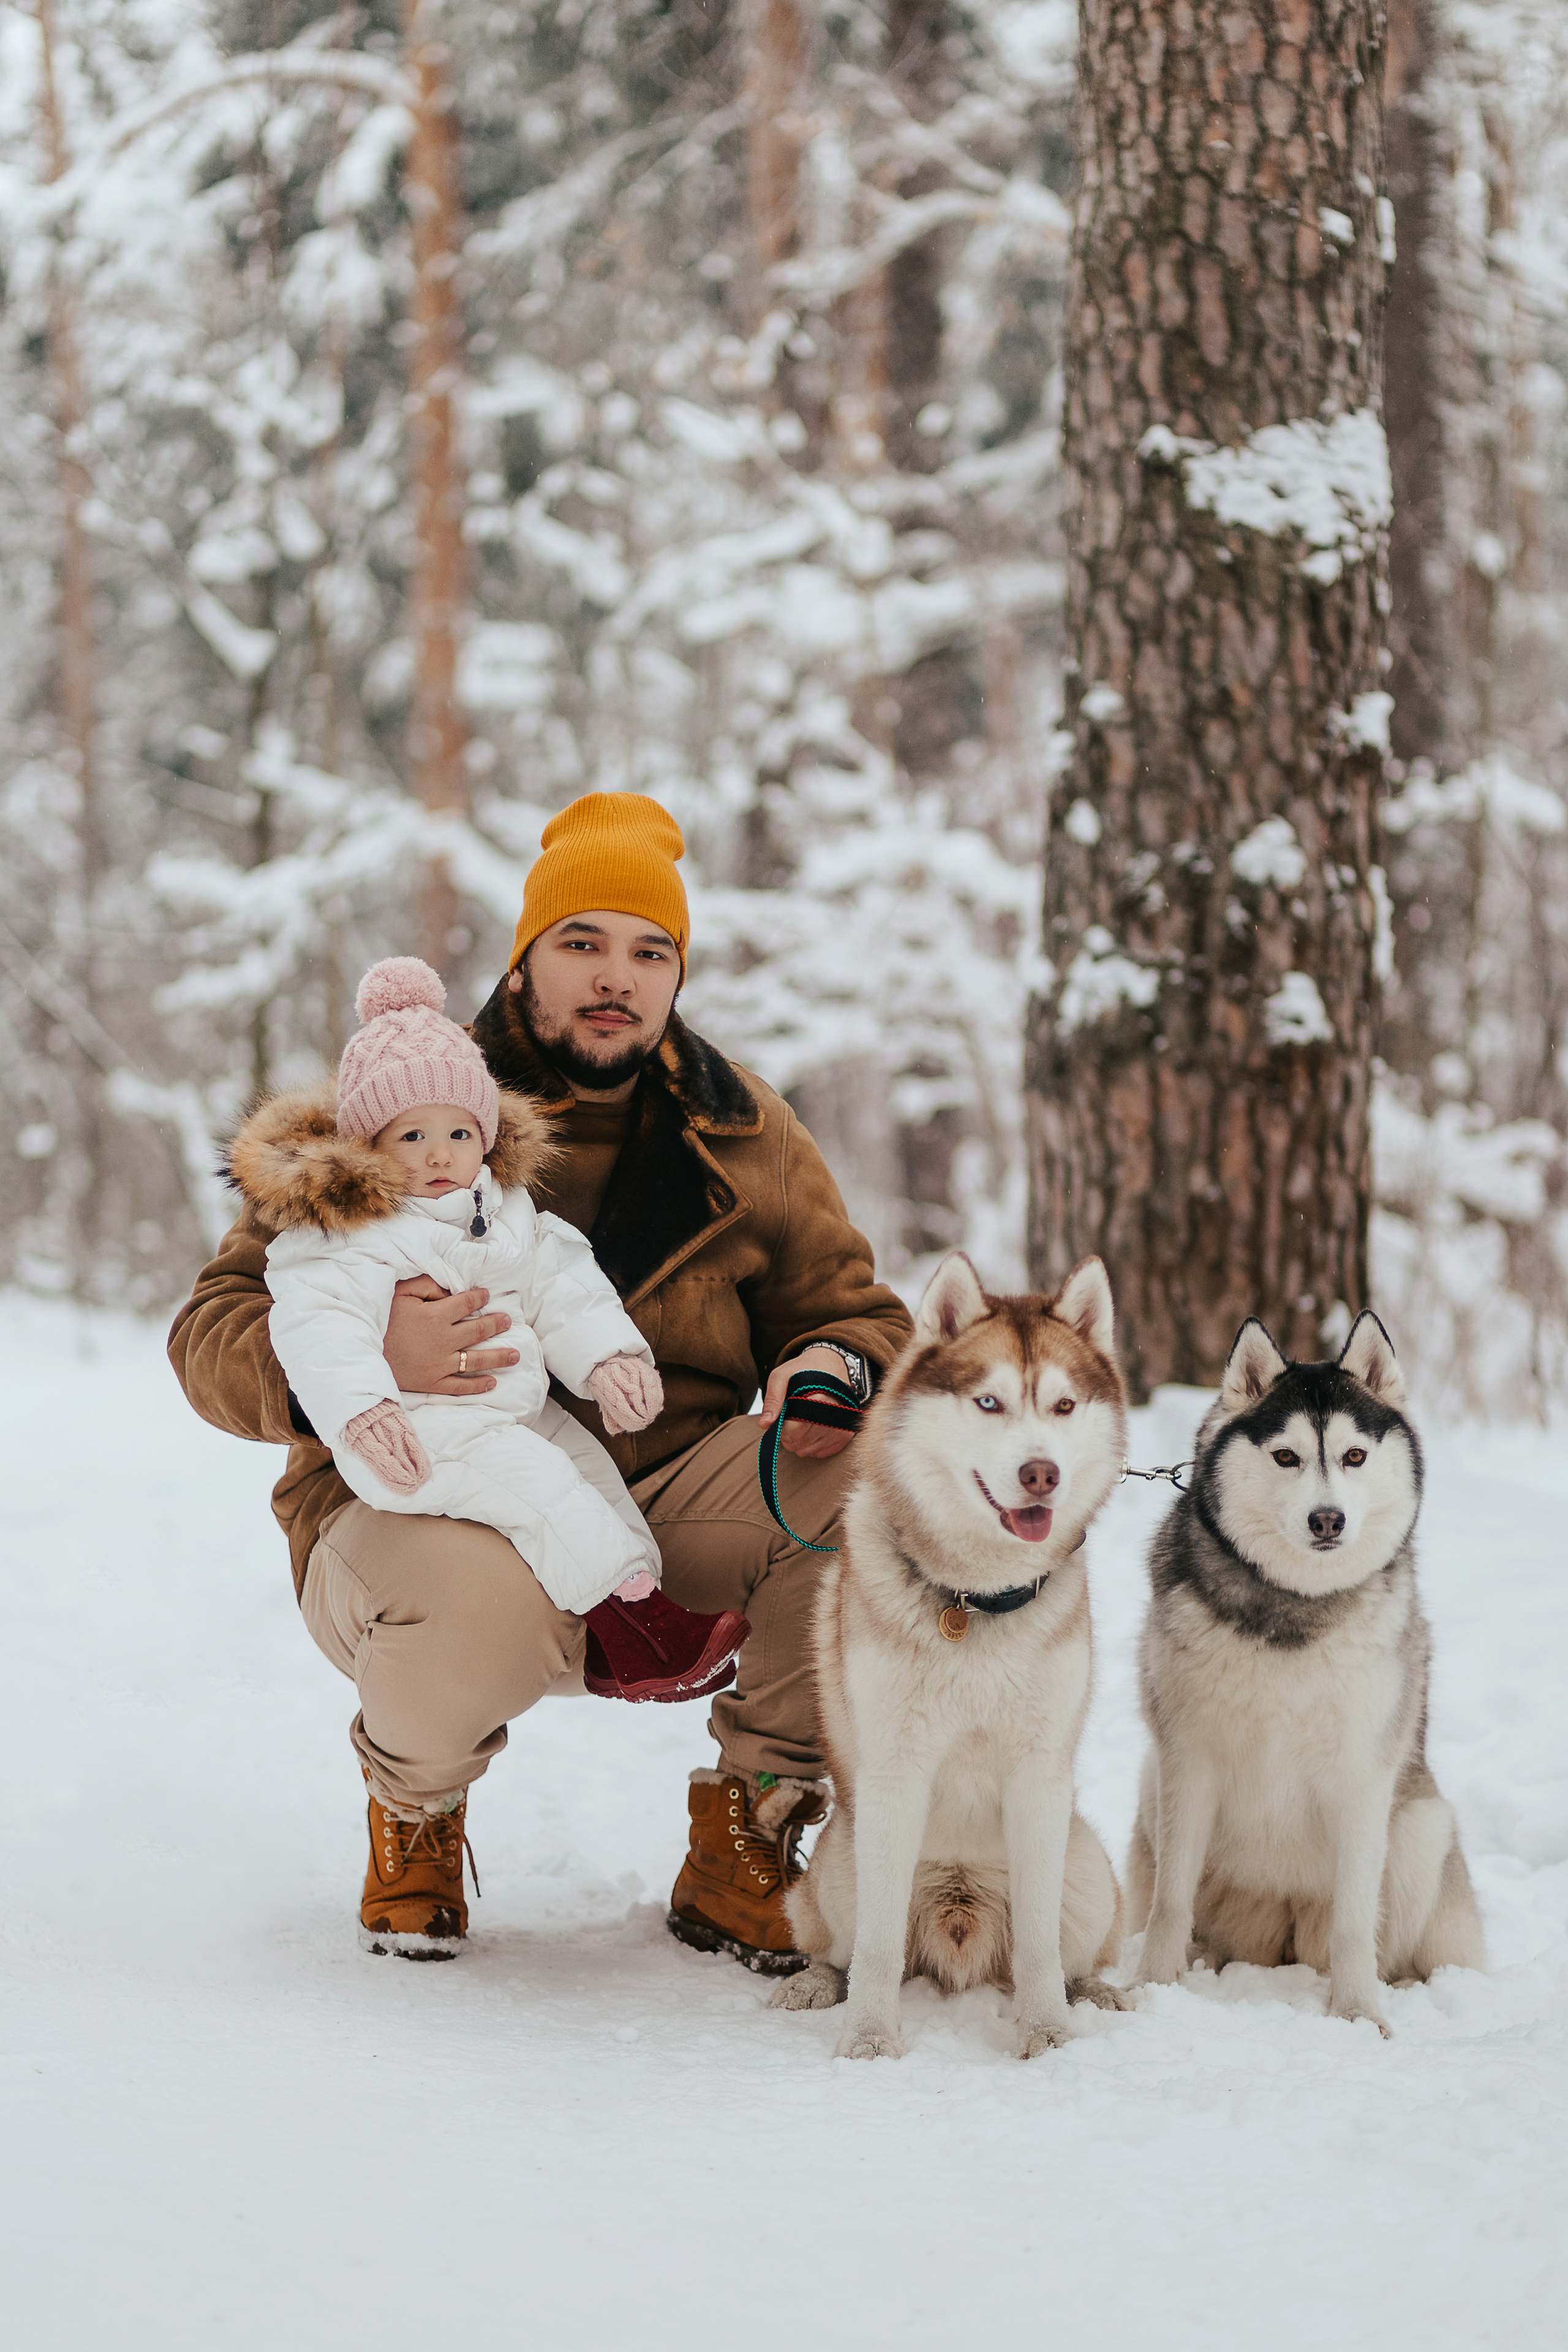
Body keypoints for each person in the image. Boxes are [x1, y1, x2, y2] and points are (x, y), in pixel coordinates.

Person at [170, 790, 913, 1970]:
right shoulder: (401, 1106)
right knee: (482, 1596)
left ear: (677, 976)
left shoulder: (747, 1132)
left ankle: (750, 1837)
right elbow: (210, 1331)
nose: (615, 977)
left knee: (870, 1485)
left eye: (650, 951)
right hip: (418, 1493)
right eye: (582, 943)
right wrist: (356, 1370)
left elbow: (854, 1313)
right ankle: (416, 1808)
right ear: (523, 962)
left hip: (661, 1493)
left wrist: (830, 1367)